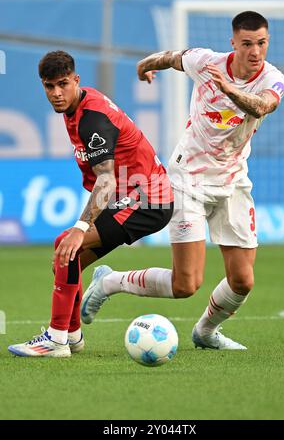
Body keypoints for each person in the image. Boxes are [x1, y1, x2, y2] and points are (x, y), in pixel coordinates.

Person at [80, 11, 284, 350]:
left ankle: (205, 332)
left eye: (262, 43)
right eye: (247, 44)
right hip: (187, 179)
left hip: (233, 181)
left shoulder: (273, 79)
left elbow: (263, 106)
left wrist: (229, 91)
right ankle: (110, 282)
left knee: (243, 280)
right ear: (233, 43)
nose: (255, 52)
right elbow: (174, 58)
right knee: (186, 284)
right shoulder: (207, 62)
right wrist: (146, 65)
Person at [8, 50, 174, 357]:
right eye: (49, 86)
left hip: (148, 199)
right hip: (136, 195)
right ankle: (70, 335)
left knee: (66, 245)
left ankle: (56, 339)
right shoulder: (80, 107)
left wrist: (80, 227)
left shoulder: (92, 120)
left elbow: (106, 180)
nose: (56, 93)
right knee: (70, 258)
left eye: (62, 84)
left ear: (76, 80)